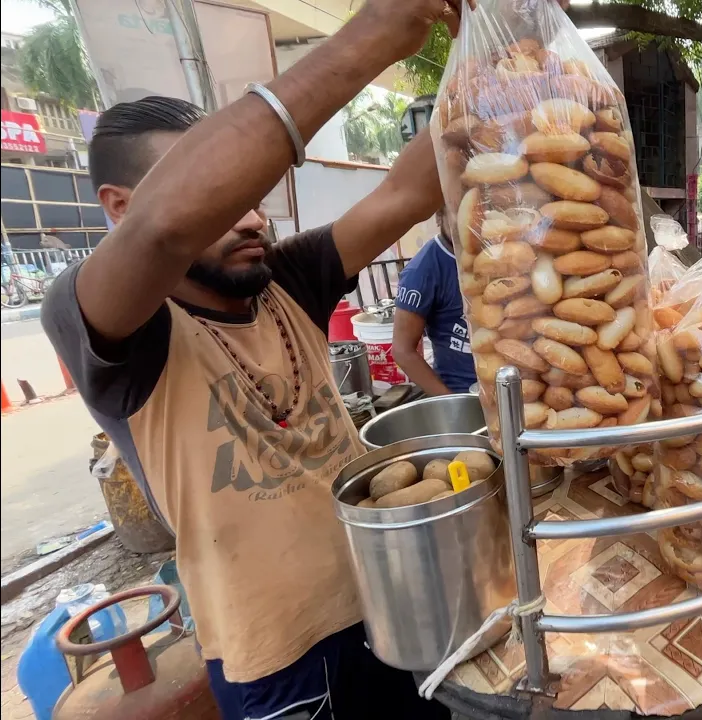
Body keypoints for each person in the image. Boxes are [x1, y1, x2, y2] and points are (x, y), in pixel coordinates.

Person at [39, 0, 462, 716]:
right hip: (280, 667)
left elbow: (409, 190)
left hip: (389, 611)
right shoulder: (107, 328)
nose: (251, 215)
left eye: (255, 194)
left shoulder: (287, 280)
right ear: (118, 208)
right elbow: (166, 229)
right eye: (223, 198)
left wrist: (483, 52)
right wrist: (369, 39)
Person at [392, 227, 476, 395]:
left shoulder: (497, 252)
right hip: (462, 392)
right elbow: (402, 351)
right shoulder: (422, 271)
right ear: (439, 215)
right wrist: (453, 403)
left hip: (516, 386)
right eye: (454, 210)